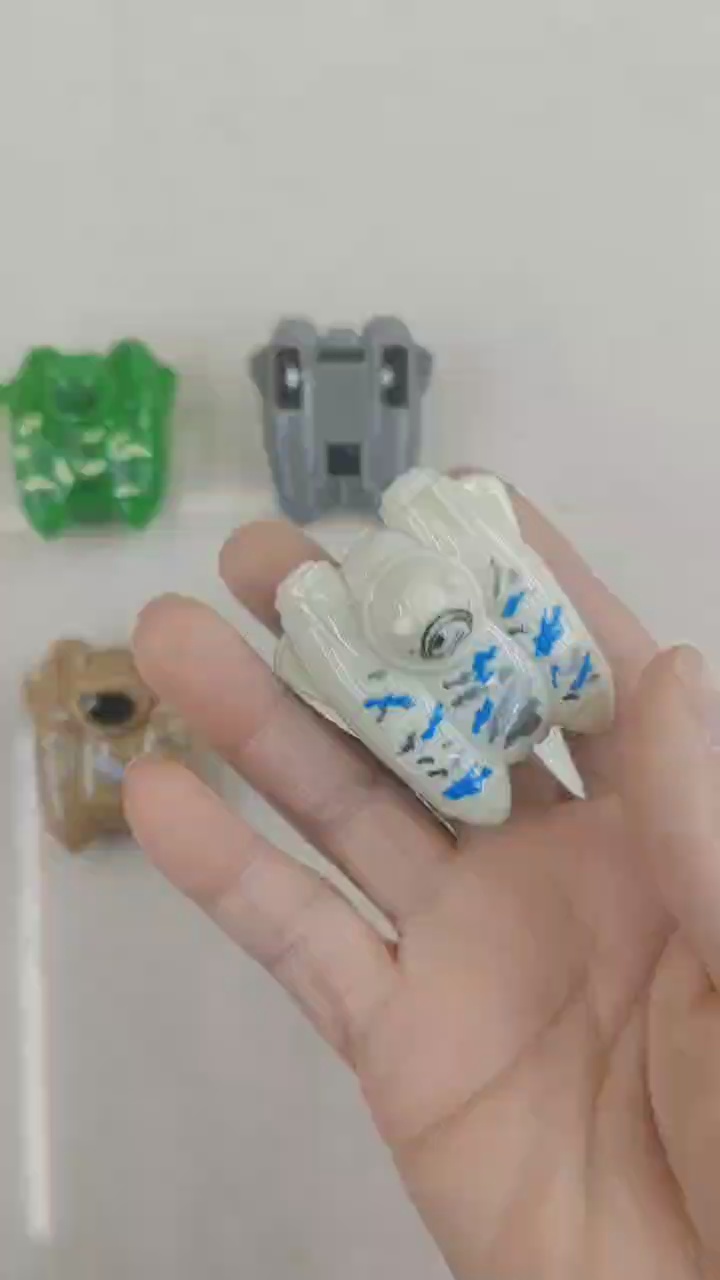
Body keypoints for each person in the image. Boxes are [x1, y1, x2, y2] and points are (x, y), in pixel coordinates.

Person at [123, 475, 719, 1280]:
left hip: (481, 659)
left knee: (543, 718)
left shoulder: (473, 565)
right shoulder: (366, 632)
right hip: (422, 674)